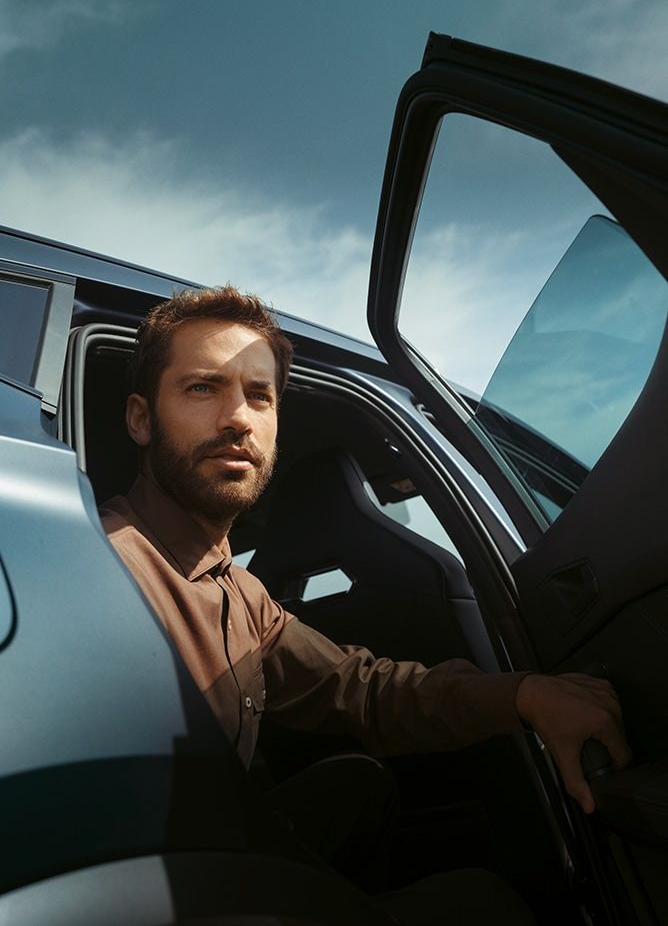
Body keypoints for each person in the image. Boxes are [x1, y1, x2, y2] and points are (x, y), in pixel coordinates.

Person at [100, 285, 630, 924]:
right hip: (171, 892)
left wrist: (522, 696)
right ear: (139, 418)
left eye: (259, 395)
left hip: (228, 851)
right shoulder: (102, 565)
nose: (238, 417)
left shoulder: (240, 593)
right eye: (202, 388)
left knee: (358, 782)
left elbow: (362, 690)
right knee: (484, 903)